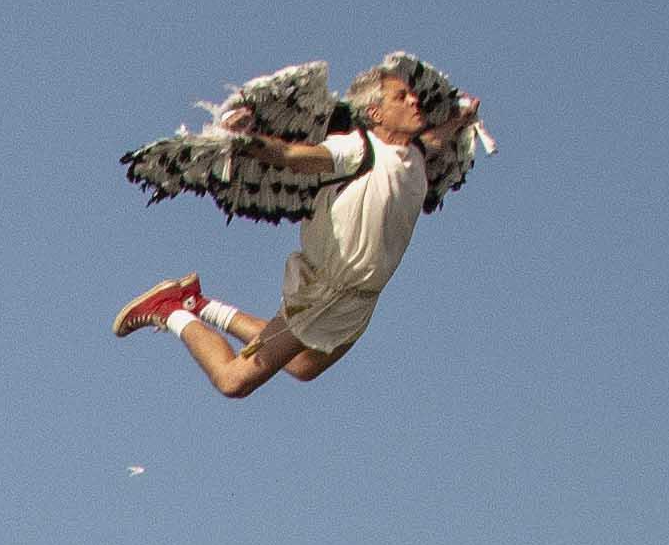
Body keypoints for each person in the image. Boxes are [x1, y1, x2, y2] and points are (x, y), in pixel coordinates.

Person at [113, 57, 473, 400]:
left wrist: (460, 118)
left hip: (361, 300)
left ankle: (199, 302)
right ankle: (170, 309)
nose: (414, 101)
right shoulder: (356, 149)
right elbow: (292, 157)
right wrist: (244, 141)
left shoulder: (415, 154)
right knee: (232, 382)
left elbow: (435, 139)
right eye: (401, 97)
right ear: (376, 113)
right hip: (324, 294)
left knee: (303, 366)